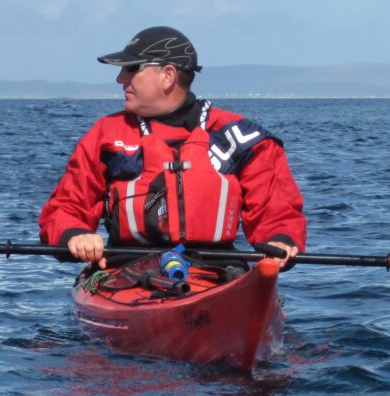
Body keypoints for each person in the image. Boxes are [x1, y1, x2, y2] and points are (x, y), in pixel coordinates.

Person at [39, 26, 305, 269]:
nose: (121, 78)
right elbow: (67, 206)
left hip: (217, 271)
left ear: (168, 75)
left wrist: (281, 240)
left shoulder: (243, 138)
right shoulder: (105, 135)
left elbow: (278, 210)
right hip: (125, 269)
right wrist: (73, 235)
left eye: (132, 68)